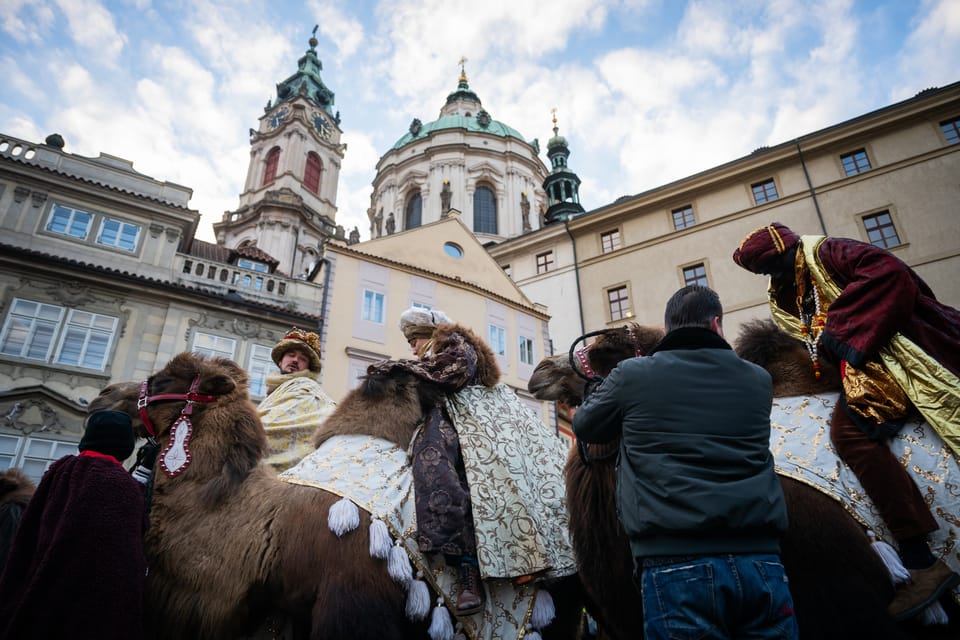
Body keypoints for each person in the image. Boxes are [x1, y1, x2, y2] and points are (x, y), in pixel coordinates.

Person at [733, 222, 960, 620]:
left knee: (850, 435)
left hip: (893, 360)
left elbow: (890, 274)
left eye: (774, 268)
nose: (774, 278)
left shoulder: (831, 253)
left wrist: (844, 334)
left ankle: (920, 558)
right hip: (863, 363)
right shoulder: (797, 281)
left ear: (788, 252)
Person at [573, 285, 798, 640]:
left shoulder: (633, 375)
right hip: (762, 561)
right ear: (717, 325)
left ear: (668, 328)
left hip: (676, 562)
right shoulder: (758, 380)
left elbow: (586, 426)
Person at [372, 306, 575, 616]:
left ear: (429, 334)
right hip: (462, 419)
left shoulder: (454, 344)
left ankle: (475, 567)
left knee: (456, 474)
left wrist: (394, 369)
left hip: (478, 423)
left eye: (414, 338)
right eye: (409, 341)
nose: (411, 346)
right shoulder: (433, 359)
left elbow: (450, 373)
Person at [0, 409, 148, 640]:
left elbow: (30, 528)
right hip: (90, 604)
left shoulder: (60, 469)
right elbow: (130, 547)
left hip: (44, 589)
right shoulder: (122, 484)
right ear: (125, 446)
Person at [258, 327, 336, 472]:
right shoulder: (276, 390)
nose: (295, 360)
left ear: (308, 367)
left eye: (302, 359)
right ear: (280, 361)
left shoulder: (305, 387)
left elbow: (277, 425)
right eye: (291, 355)